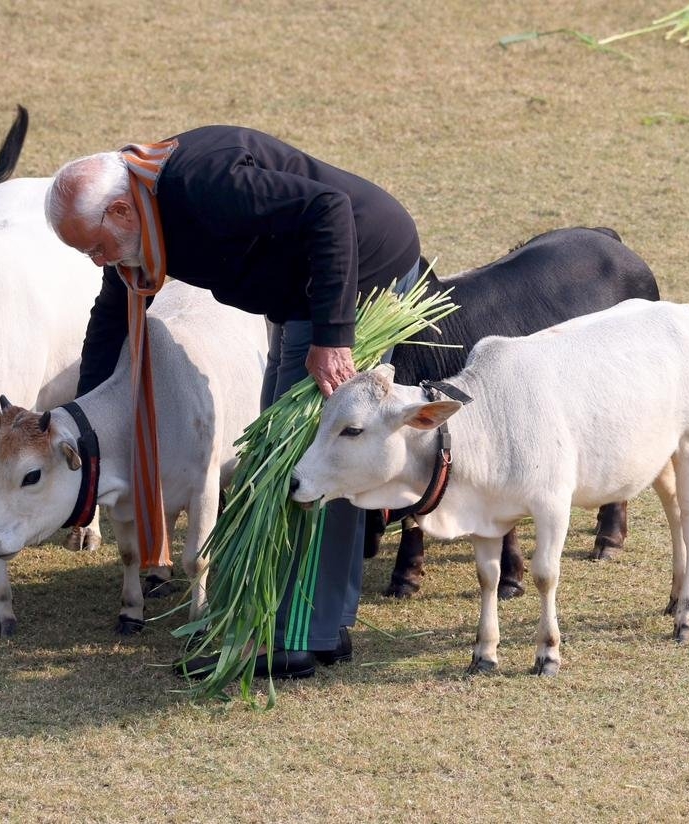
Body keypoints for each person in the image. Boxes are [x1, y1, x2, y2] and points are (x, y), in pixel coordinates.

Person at [45, 125, 420, 678]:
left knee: (291, 464)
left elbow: (329, 209)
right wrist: (85, 418)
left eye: (95, 247)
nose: (98, 261)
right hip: (297, 292)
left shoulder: (202, 185)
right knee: (291, 455)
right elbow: (110, 320)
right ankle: (322, 628)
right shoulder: (139, 215)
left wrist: (332, 336)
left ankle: (287, 640)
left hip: (358, 273)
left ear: (122, 212)